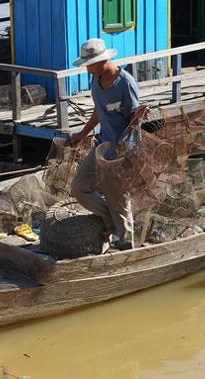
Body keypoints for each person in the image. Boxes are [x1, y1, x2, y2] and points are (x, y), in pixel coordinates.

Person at [68, 38, 146, 251]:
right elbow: (98, 111)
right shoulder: (96, 79)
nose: (88, 68)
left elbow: (135, 121)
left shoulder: (125, 83)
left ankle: (126, 243)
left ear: (104, 60)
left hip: (123, 151)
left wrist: (123, 153)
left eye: (91, 64)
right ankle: (109, 220)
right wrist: (82, 134)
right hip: (102, 146)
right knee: (80, 186)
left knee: (118, 196)